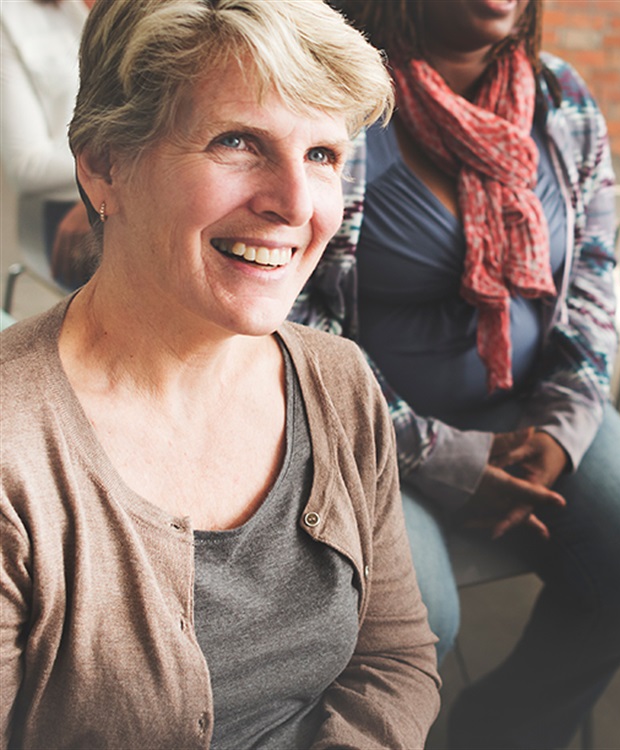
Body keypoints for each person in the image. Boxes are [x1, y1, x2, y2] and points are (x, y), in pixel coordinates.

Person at [0, 1, 440, 747]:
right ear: (105, 164)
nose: (296, 205)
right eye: (238, 141)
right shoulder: (17, 452)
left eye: (323, 155)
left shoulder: (337, 381)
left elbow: (394, 657)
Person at [296, 1, 620, 747]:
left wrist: (563, 429)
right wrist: (444, 457)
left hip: (532, 407)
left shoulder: (560, 97)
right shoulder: (337, 98)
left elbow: (596, 272)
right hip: (367, 433)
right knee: (421, 622)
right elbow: (299, 320)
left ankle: (504, 732)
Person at [0, 0, 96, 289]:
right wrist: (106, 181)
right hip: (67, 204)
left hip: (162, 184)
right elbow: (26, 166)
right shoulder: (10, 16)